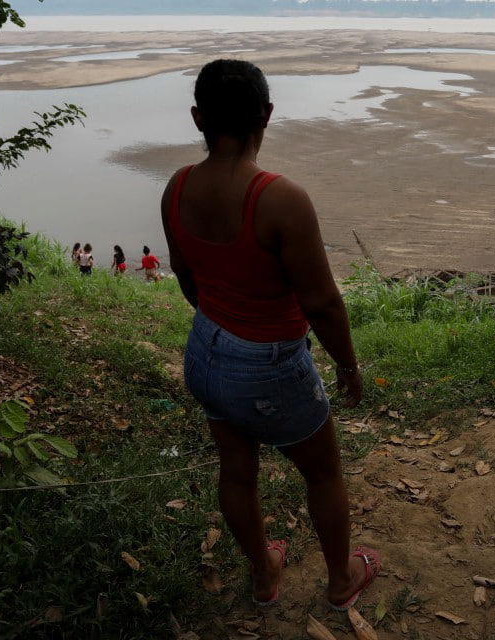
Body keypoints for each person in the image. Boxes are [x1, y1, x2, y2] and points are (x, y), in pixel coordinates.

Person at [161, 59, 379, 610]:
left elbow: (187, 276)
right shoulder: (280, 198)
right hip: (268, 364)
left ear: (197, 118)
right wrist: (348, 366)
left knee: (237, 472)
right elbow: (323, 304)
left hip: (205, 352)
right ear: (267, 115)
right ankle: (340, 581)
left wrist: (219, 322)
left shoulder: (177, 186)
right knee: (324, 472)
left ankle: (264, 574)